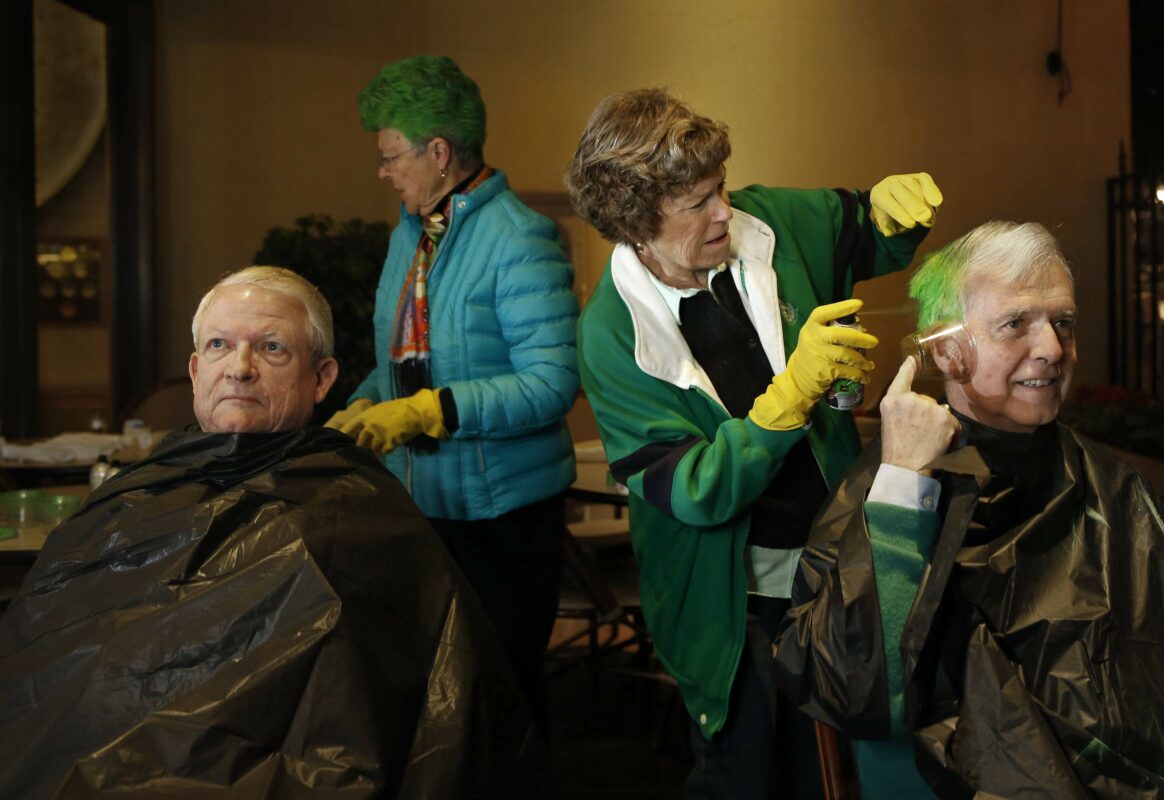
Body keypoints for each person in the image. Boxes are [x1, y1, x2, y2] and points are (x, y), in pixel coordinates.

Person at [0, 267, 548, 798]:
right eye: (218, 346)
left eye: (271, 348)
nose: (239, 368)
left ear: (322, 379)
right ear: (195, 371)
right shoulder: (129, 497)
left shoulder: (359, 518)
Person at [564, 87, 942, 797]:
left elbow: (863, 225)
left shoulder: (767, 222)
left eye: (721, 189)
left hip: (829, 573)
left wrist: (891, 208)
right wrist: (787, 402)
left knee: (828, 769)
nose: (723, 212)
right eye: (697, 202)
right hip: (728, 604)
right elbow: (694, 491)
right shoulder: (611, 334)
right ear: (635, 221)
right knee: (743, 770)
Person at [774, 221, 1164, 798]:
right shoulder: (892, 483)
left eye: (1063, 323)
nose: (1051, 348)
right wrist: (902, 488)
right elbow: (855, 686)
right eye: (1015, 324)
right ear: (945, 350)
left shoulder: (1123, 494)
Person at [325, 56, 578, 735]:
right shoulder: (411, 235)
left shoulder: (522, 239)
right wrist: (365, 402)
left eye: (391, 156)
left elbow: (550, 385)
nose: (383, 172)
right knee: (438, 711)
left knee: (501, 704)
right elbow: (405, 365)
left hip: (503, 520)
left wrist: (429, 412)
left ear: (439, 152)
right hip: (424, 508)